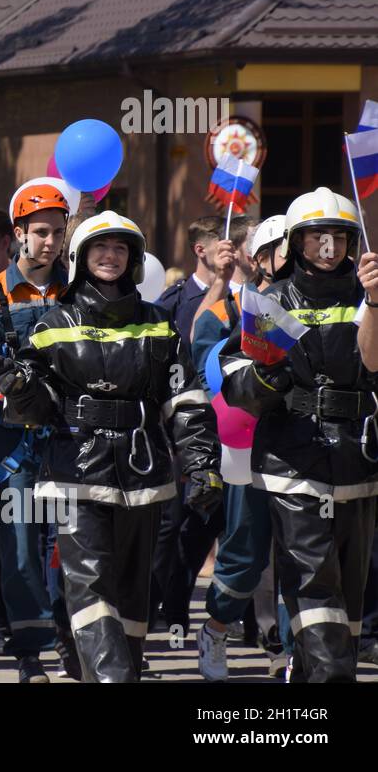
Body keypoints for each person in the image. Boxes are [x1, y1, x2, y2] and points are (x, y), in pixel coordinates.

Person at [0, 211, 220, 682]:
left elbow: (186, 403)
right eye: (100, 247)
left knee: (133, 595)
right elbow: (36, 410)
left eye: (120, 248)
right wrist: (18, 387)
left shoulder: (160, 324)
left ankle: (118, 672)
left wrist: (202, 466)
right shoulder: (53, 324)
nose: (110, 256)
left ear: (134, 259)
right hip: (75, 473)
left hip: (145, 473)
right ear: (80, 257)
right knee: (89, 586)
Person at [222, 187, 378, 682]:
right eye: (317, 236)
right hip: (291, 458)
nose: (329, 246)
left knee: (349, 591)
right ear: (295, 242)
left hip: (359, 458)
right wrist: (265, 375)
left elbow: (373, 363)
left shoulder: (367, 296)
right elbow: (235, 383)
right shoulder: (269, 301)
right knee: (313, 579)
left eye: (339, 237)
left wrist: (375, 303)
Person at [0, 182, 76, 681]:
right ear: (18, 235)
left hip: (71, 435)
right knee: (18, 540)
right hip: (11, 438)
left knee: (72, 539)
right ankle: (30, 649)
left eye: (58, 232)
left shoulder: (79, 289)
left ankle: (73, 637)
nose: (50, 242)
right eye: (40, 233)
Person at [191, 215, 287, 680]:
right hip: (243, 447)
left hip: (305, 450)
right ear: (260, 256)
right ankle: (215, 628)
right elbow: (202, 363)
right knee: (244, 553)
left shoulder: (320, 305)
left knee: (302, 555)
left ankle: (288, 649)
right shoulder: (228, 309)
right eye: (285, 248)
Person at [152, 215, 256, 636]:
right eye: (250, 245)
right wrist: (221, 281)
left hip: (256, 435)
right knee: (193, 527)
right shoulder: (192, 298)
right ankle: (172, 612)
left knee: (250, 530)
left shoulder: (272, 295)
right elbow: (194, 345)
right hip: (205, 432)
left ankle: (258, 627)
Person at [155, 215, 222, 352]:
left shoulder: (237, 295)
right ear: (200, 250)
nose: (231, 251)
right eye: (222, 245)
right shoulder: (173, 301)